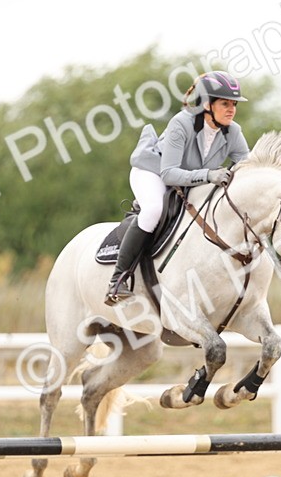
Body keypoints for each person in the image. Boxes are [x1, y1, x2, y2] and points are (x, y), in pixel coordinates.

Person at [105, 70, 251, 304]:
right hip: (152, 172)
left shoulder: (233, 131)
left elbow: (248, 164)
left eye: (234, 104)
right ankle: (118, 279)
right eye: (225, 103)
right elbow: (169, 173)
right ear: (206, 103)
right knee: (153, 210)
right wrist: (210, 175)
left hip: (190, 180)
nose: (232, 109)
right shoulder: (181, 123)